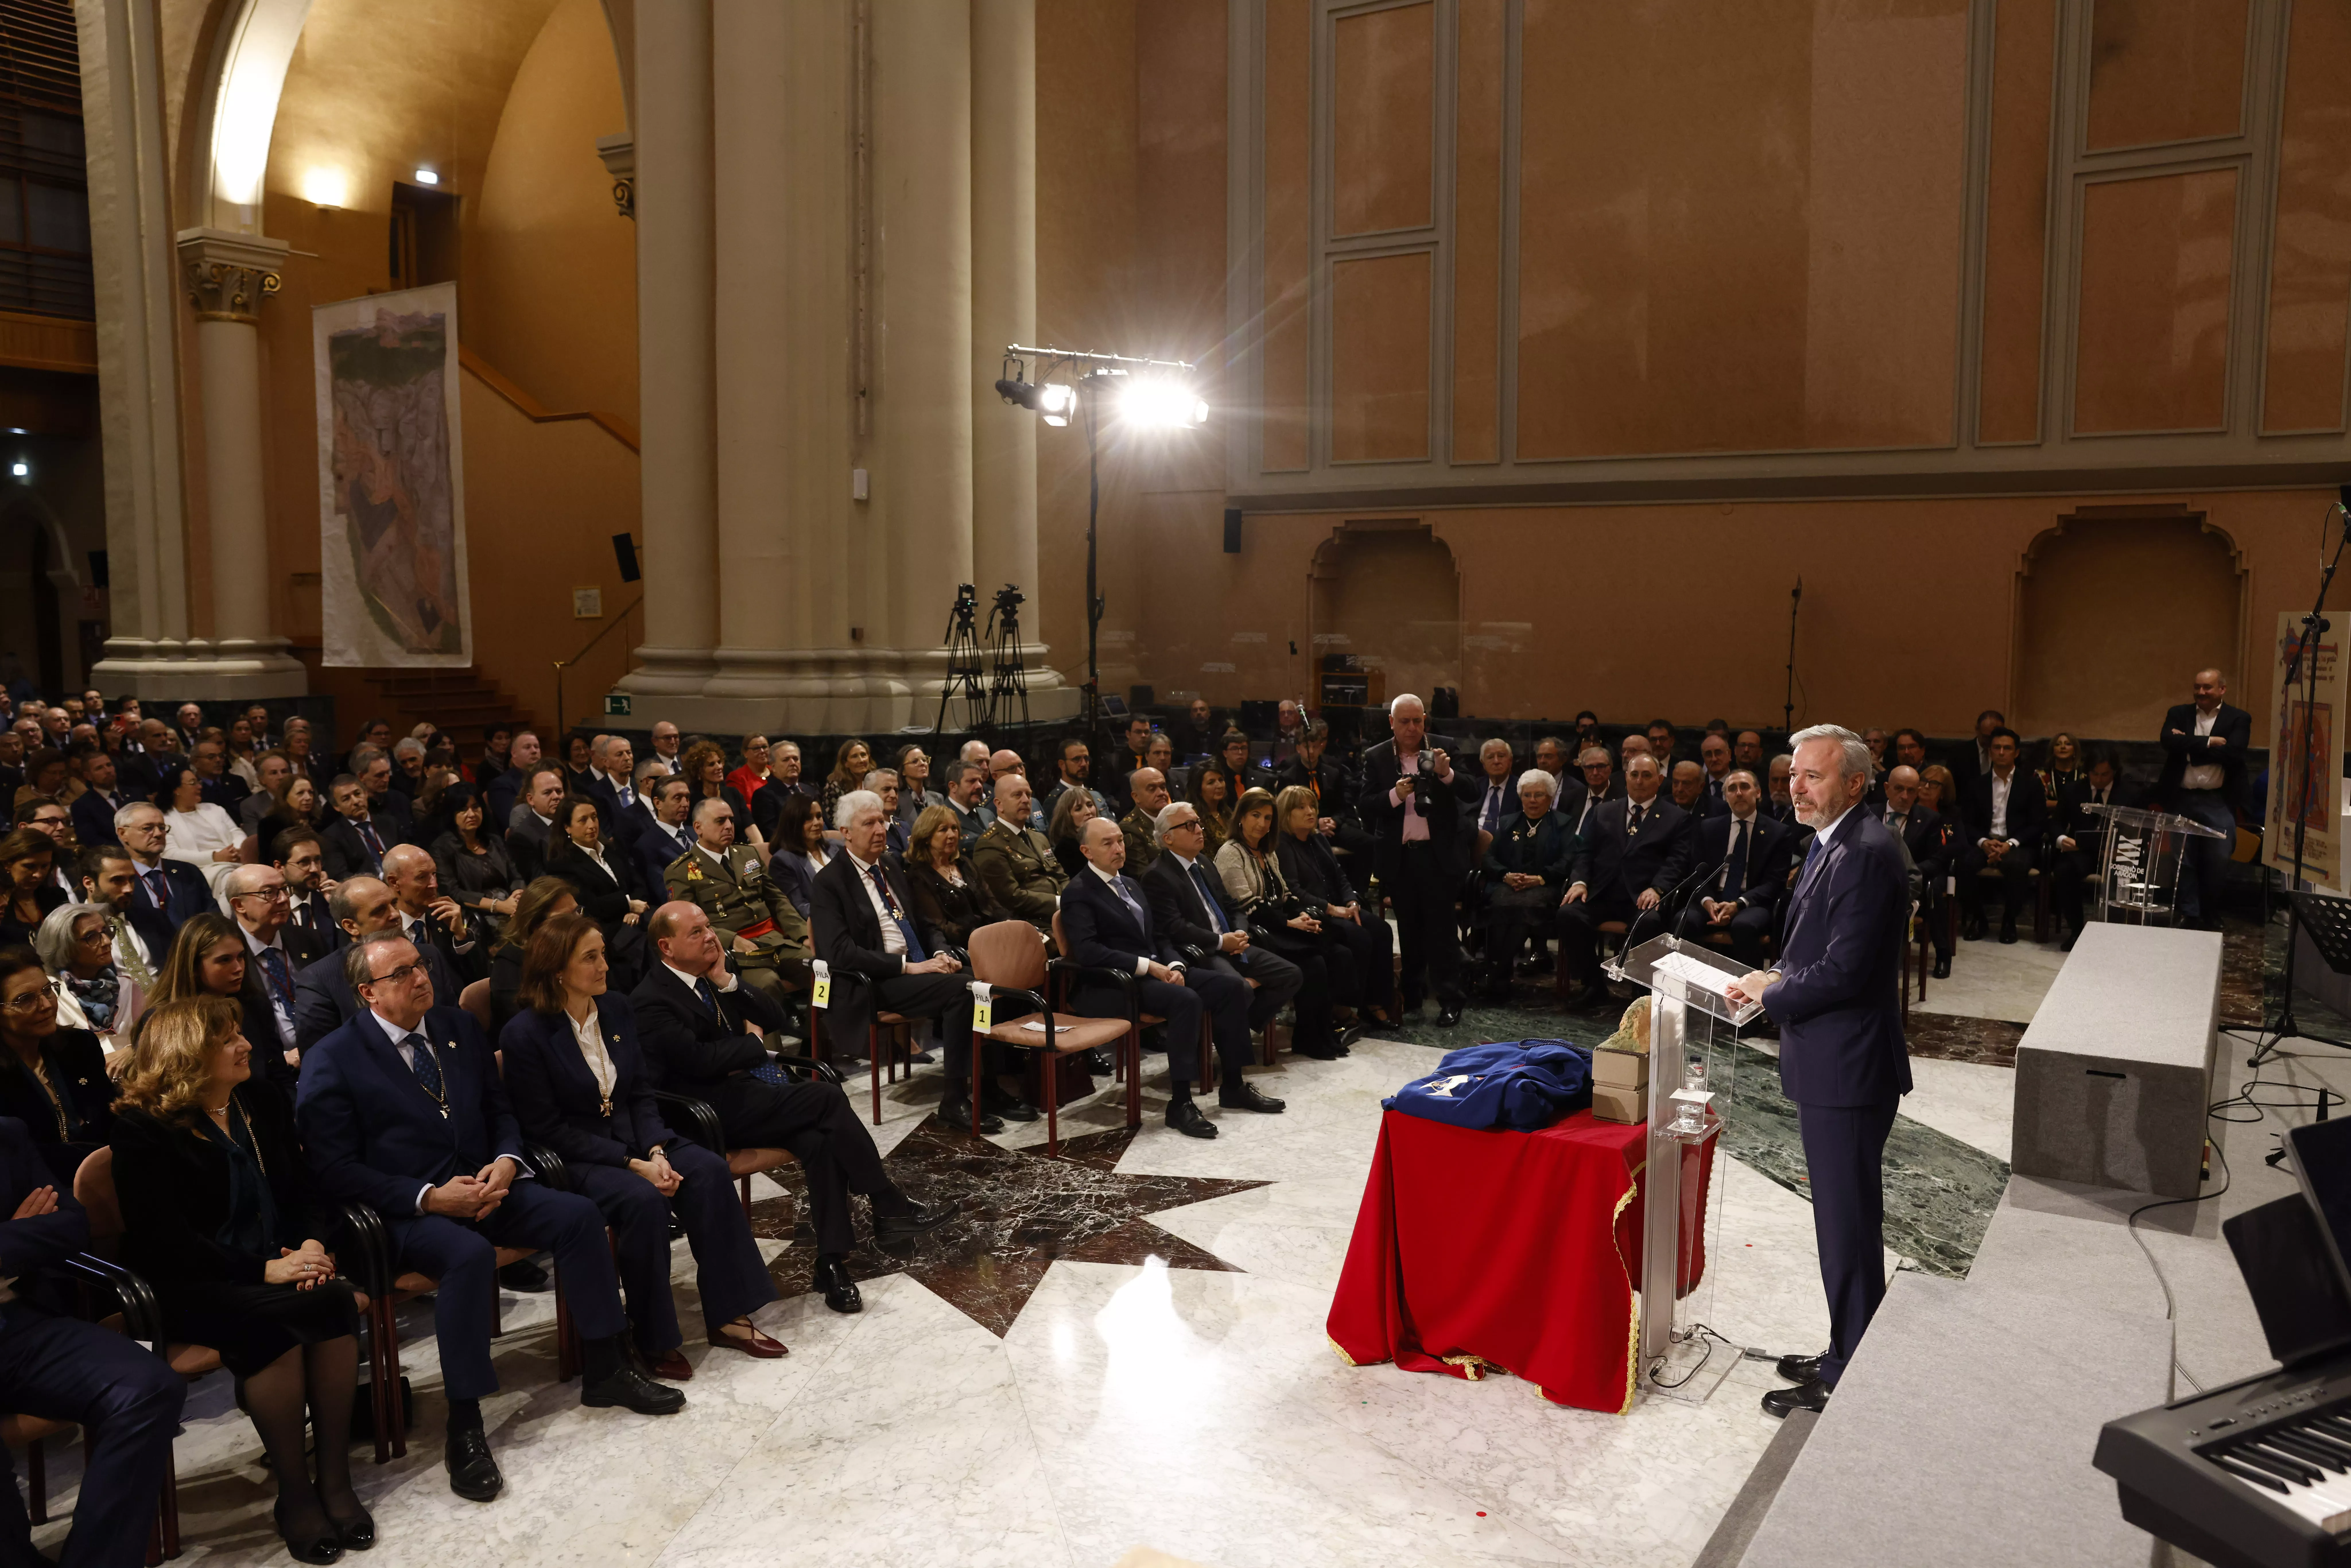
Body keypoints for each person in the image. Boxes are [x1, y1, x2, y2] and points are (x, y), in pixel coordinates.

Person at [299, 933, 684, 1501]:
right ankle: (465, 1420)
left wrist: (506, 1162)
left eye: (421, 964)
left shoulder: (456, 1027)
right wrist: (430, 1196)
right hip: (401, 1212)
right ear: (368, 993)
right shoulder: (334, 1056)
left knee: (577, 1215)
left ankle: (607, 1368)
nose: (421, 977)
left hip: (486, 1186)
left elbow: (501, 1110)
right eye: (401, 973)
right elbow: (335, 1169)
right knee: (468, 1255)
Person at [110, 996, 370, 1560]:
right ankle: (296, 1493)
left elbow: (306, 1187)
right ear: (188, 1054)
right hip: (192, 1280)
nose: (246, 1043)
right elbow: (165, 1240)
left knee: (335, 1304)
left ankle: (334, 1479)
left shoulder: (258, 1097)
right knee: (273, 1324)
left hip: (279, 1261)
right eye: (228, 1038)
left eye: (240, 1032)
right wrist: (264, 1268)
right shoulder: (143, 1128)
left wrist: (310, 1245)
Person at [498, 914, 785, 1375]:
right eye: (590, 958)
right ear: (557, 970)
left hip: (637, 1139)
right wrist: (635, 1165)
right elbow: (547, 1129)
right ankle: (652, 1336)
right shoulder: (526, 1034)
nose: (604, 966)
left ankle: (730, 1316)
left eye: (603, 955)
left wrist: (655, 1150)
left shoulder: (615, 1009)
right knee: (642, 1201)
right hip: (580, 1156)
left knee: (708, 1170)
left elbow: (639, 1093)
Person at [632, 902, 949, 1313]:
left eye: (709, 927)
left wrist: (729, 982)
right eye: (696, 932)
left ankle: (831, 1263)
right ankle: (887, 1203)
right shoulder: (651, 999)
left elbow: (774, 1016)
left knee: (820, 1138)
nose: (711, 936)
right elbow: (699, 1062)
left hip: (745, 1094)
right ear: (667, 946)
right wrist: (751, 1046)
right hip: (703, 1114)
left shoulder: (711, 975)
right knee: (826, 1096)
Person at [1725, 726, 1910, 1419]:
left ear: (1855, 783)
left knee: (1848, 1225)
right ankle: (1847, 1343)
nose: (1796, 785)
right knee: (1843, 1222)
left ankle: (1850, 1370)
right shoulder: (1836, 840)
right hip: (1834, 1060)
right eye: (1794, 773)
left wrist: (1769, 993)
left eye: (1814, 776)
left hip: (1848, 1067)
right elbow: (1818, 950)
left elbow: (1847, 971)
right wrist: (1773, 974)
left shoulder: (1865, 852)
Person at [0, 1113, 187, 1568]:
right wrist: (17, 1235)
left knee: (149, 1387)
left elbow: (71, 1225)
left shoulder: (7, 1133)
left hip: (18, 1324)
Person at [1065, 817, 1281, 1137]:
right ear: (1087, 851)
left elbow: (1160, 937)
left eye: (1120, 840)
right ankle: (1180, 1103)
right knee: (1185, 1000)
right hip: (1110, 984)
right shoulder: (1078, 892)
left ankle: (1233, 1085)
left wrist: (1176, 965)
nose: (1118, 848)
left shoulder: (1131, 884)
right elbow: (1087, 952)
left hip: (1154, 973)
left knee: (1229, 987)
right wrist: (1147, 967)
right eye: (1107, 843)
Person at [809, 791, 1015, 1127]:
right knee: (965, 990)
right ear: (846, 831)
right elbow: (840, 954)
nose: (879, 830)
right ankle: (954, 1099)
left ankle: (989, 1084)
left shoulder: (890, 865)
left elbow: (922, 923)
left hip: (917, 968)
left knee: (990, 980)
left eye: (881, 821)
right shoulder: (829, 882)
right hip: (874, 981)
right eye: (868, 823)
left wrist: (939, 952)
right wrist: (908, 966)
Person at [1357, 694, 1482, 1026]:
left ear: (1425, 720)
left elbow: (1473, 792)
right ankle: (1411, 997)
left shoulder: (1445, 747)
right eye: (1404, 722)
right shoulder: (1377, 756)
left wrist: (1447, 774)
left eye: (1417, 721)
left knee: (1441, 933)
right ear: (1391, 723)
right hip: (1400, 859)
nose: (1411, 728)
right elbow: (1366, 805)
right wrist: (1395, 796)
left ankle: (1450, 1001)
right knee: (1409, 932)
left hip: (1438, 858)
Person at [1140, 800, 1303, 1044]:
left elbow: (1232, 905)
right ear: (1168, 838)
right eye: (1189, 825)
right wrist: (1220, 942)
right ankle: (1228, 1038)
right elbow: (1175, 927)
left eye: (1198, 823)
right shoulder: (1157, 875)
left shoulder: (1204, 862)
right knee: (1241, 990)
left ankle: (1236, 1028)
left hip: (1232, 942)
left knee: (1292, 974)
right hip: (1203, 952)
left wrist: (1239, 932)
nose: (1199, 830)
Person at [1557, 753, 1692, 1009]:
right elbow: (1585, 853)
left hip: (1641, 897)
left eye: (1647, 775)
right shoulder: (1603, 811)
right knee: (1569, 914)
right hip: (1602, 892)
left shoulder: (1676, 818)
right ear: (1626, 778)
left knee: (1649, 924)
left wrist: (1658, 888)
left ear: (1660, 780)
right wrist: (1580, 882)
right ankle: (1593, 985)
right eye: (1634, 775)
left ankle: (1640, 995)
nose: (1640, 781)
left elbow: (1677, 860)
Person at [1215, 787, 1340, 1057]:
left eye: (1268, 818)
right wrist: (1291, 924)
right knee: (1315, 961)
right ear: (1241, 817)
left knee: (1329, 949)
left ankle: (1320, 1034)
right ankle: (1309, 1038)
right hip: (1256, 933)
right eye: (1255, 816)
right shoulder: (1230, 853)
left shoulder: (1267, 851)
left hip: (1277, 925)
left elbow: (1286, 894)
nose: (1262, 824)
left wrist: (1301, 914)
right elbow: (1247, 907)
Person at [289, 877, 465, 1053]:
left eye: (394, 904)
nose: (396, 915)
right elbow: (321, 1057)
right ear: (351, 926)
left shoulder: (428, 955)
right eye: (380, 911)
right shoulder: (319, 980)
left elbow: (454, 1025)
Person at [664, 796, 810, 1009]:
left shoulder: (747, 853)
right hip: (734, 952)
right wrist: (732, 940)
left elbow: (777, 900)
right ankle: (763, 1043)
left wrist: (803, 934)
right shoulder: (680, 871)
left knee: (822, 968)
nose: (729, 826)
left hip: (775, 940)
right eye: (720, 821)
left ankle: (816, 1037)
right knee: (766, 986)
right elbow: (688, 925)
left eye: (731, 820)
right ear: (699, 828)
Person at [1273, 783, 1390, 1026]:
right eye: (1302, 807)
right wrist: (1332, 909)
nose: (1311, 812)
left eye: (1313, 806)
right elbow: (1294, 890)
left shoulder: (1318, 838)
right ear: (1286, 813)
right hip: (1314, 912)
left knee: (1382, 930)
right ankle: (1346, 1006)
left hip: (1340, 906)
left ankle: (1375, 1001)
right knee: (1359, 937)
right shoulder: (1283, 844)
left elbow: (1340, 875)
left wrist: (1352, 901)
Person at [0, 944, 114, 1182]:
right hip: (46, 1190)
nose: (47, 1006)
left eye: (48, 991)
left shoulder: (80, 1047)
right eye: (25, 1000)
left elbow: (112, 1114)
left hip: (113, 1168)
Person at [2157, 667, 2249, 931]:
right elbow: (2167, 741)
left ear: (2222, 689)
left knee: (2219, 859)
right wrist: (2209, 743)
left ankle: (2210, 911)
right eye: (2197, 687)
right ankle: (2190, 912)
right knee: (2183, 860)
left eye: (2207, 688)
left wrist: (2188, 746)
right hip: (2183, 798)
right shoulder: (2179, 713)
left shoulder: (2239, 719)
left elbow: (2235, 753)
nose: (2201, 693)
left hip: (2218, 801)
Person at [224, 865, 333, 1077]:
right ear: (239, 905)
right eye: (269, 893)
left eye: (285, 890)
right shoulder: (225, 956)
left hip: (324, 1056)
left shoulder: (309, 940)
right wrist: (282, 1058)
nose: (284, 899)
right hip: (264, 1072)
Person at [1683, 768, 1795, 970]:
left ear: (1758, 793)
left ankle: (1746, 995)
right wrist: (1708, 903)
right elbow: (1697, 874)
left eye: (1745, 787)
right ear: (1726, 797)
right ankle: (1688, 991)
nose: (1739, 793)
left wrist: (1738, 904)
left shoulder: (1778, 833)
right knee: (1685, 920)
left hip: (1752, 901)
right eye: (1732, 789)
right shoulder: (1708, 828)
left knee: (1744, 926)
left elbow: (1775, 882)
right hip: (1713, 899)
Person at [1476, 771, 1573, 999]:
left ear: (1550, 798)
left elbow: (1569, 860)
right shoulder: (1509, 822)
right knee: (1501, 904)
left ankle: (1497, 977)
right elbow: (1489, 857)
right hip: (1510, 885)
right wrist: (1505, 875)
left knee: (1524, 908)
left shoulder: (1563, 823)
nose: (1532, 800)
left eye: (1539, 795)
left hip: (1545, 887)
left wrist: (1540, 879)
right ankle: (1500, 976)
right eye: (1527, 795)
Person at [1956, 727, 2044, 944]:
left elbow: (2038, 825)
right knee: (1962, 864)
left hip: (2018, 843)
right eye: (1997, 748)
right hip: (1984, 842)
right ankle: (1979, 919)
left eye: (2007, 748)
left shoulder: (2032, 785)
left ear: (2016, 753)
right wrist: (1984, 842)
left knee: (2016, 866)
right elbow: (1966, 822)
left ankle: (2009, 922)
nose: (2002, 752)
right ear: (1990, 752)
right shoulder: (1976, 785)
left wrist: (2011, 844)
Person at [541, 798, 646, 980]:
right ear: (567, 828)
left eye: (594, 817)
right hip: (606, 929)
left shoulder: (611, 848)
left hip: (637, 919)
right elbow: (587, 905)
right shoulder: (562, 863)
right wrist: (628, 904)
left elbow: (638, 883)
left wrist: (635, 910)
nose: (592, 825)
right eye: (583, 820)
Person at [968, 772, 1066, 946]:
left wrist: (1074, 899)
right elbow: (1011, 898)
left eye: (1028, 795)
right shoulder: (990, 845)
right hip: (1029, 923)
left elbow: (1061, 876)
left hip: (1062, 914)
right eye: (1017, 795)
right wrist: (1061, 903)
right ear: (999, 804)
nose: (1026, 800)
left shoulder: (1038, 838)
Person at [111, 801, 212, 965]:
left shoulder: (188, 872)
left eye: (162, 828)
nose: (158, 834)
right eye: (148, 828)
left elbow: (214, 919)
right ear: (123, 834)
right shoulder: (118, 883)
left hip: (202, 961)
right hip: (154, 969)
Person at [381, 842, 488, 989]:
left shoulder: (444, 919)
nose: (434, 884)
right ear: (394, 883)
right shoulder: (383, 932)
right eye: (422, 877)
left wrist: (461, 935)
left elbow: (482, 978)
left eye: (434, 874)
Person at [903, 805, 1004, 954]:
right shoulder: (919, 876)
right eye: (943, 830)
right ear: (926, 837)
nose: (952, 835)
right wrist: (985, 936)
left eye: (955, 828)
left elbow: (992, 903)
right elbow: (940, 927)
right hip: (967, 948)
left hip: (993, 936)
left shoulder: (965, 864)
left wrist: (1009, 923)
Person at [37, 902, 138, 1050]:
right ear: (66, 947)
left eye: (105, 931)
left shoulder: (128, 987)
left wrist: (131, 1052)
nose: (107, 942)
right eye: (91, 937)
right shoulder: (51, 994)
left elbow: (148, 1039)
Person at [487, 877, 579, 1037]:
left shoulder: (580, 949)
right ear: (537, 926)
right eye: (566, 918)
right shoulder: (509, 962)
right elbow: (526, 1024)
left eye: (578, 912)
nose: (578, 923)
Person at [2052, 752, 2125, 948]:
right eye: (2095, 774)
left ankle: (2114, 936)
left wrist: (2122, 851)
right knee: (2064, 871)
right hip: (2081, 851)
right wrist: (2062, 840)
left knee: (2123, 874)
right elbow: (2055, 824)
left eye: (2106, 775)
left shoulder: (2129, 793)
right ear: (2087, 773)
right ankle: (2076, 932)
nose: (2100, 780)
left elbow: (2140, 830)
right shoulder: (2073, 790)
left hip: (2115, 853)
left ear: (2115, 773)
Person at [429, 780, 523, 928]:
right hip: (477, 916)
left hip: (511, 907)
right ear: (451, 814)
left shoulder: (494, 841)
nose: (471, 814)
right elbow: (454, 893)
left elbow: (515, 875)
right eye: (463, 810)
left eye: (476, 807)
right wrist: (499, 906)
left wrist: (518, 896)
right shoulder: (441, 848)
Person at [158, 763, 245, 898]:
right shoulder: (165, 819)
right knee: (234, 882)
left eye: (198, 782)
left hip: (235, 860)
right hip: (202, 869)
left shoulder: (214, 809)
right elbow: (171, 854)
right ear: (177, 790)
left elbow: (236, 832)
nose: (200, 786)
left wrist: (239, 850)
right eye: (193, 783)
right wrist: (215, 856)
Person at [319, 773, 397, 883]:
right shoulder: (331, 837)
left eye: (358, 794)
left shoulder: (389, 823)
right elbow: (341, 876)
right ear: (337, 807)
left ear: (366, 794)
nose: (356, 802)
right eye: (346, 799)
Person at [631, 774, 700, 896]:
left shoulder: (698, 832)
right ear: (658, 803)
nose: (685, 804)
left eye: (687, 798)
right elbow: (665, 893)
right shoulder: (646, 846)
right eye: (678, 798)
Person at [765, 792, 830, 919]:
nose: (817, 823)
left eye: (819, 816)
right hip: (824, 922)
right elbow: (800, 907)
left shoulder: (836, 847)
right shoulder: (783, 862)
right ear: (794, 821)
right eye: (809, 818)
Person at [271, 826, 339, 945]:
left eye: (317, 861)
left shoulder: (329, 904)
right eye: (304, 862)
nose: (314, 869)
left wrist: (341, 906)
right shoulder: (271, 911)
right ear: (280, 867)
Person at [503, 764, 569, 883]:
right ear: (531, 800)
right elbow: (541, 882)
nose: (556, 797)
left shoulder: (575, 820)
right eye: (548, 793)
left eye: (559, 791)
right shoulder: (521, 837)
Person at [0, 828, 62, 948]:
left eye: (45, 866)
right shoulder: (2, 905)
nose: (38, 875)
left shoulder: (57, 897)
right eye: (30, 867)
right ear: (7, 864)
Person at [70, 746, 125, 846]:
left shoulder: (136, 793)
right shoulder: (82, 806)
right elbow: (91, 841)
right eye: (99, 768)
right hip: (116, 856)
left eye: (109, 765)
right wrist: (131, 849)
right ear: (88, 776)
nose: (108, 771)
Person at [1119, 767, 1170, 876]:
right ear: (1136, 797)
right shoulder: (1130, 829)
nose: (1161, 793)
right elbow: (1144, 877)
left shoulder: (1176, 818)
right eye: (1152, 789)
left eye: (1163, 787)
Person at [1045, 783, 1098, 879]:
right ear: (1068, 817)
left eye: (1090, 805)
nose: (1088, 812)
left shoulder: (1105, 838)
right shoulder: (1065, 849)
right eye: (1079, 809)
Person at [820, 738, 873, 829]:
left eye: (864, 755)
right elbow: (832, 821)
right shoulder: (835, 787)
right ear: (846, 763)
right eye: (855, 757)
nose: (861, 761)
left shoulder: (874, 781)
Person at [1470, 739, 1518, 840]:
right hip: (1474, 844)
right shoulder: (1475, 786)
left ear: (1510, 761)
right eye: (1491, 757)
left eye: (1501, 756)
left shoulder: (1521, 788)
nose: (1496, 761)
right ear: (1483, 764)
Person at [940, 759, 993, 843]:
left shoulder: (987, 814)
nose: (979, 786)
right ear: (953, 787)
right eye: (972, 781)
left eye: (981, 782)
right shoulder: (939, 819)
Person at [1186, 762, 1234, 855]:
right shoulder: (1194, 818)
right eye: (1211, 783)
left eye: (1221, 780)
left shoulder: (1227, 812)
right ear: (1199, 789)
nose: (1220, 786)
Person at [2035, 730, 2085, 811]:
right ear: (2053, 750)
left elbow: (2089, 803)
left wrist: (2054, 804)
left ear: (2075, 750)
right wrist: (2069, 805)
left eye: (2068, 744)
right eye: (2058, 744)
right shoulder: (2042, 775)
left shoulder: (2085, 774)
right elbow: (2037, 802)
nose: (2063, 747)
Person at [1696, 733, 1735, 817]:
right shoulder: (1698, 787)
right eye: (1709, 755)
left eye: (1718, 753)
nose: (1714, 759)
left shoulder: (1741, 784)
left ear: (1729, 754)